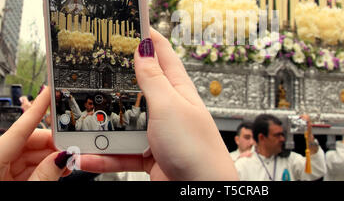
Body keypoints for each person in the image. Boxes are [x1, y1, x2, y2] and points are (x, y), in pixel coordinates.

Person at [0, 27, 238, 181]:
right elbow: (76, 110)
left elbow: (125, 118)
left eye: (95, 104)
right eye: (91, 103)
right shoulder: (83, 117)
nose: (92, 105)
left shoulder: (112, 119)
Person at [234, 114, 326, 181]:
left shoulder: (290, 159)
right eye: (277, 135)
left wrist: (309, 136)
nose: (282, 139)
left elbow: (317, 170)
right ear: (262, 137)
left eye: (282, 135)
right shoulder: (243, 165)